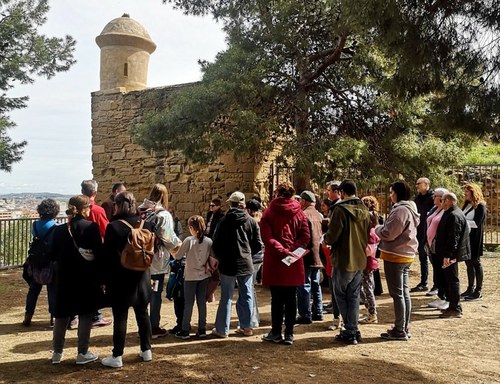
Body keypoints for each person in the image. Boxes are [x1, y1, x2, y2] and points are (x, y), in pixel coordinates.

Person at [101, 192, 154, 368]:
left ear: (117, 205)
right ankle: (146, 350)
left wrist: (104, 281)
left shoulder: (114, 227)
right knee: (143, 314)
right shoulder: (147, 224)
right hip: (142, 276)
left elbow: (107, 257)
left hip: (121, 278)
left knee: (121, 318)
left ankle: (117, 356)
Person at [50, 195, 103, 365]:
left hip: (64, 277)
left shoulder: (59, 230)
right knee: (86, 314)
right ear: (84, 209)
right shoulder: (91, 228)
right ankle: (82, 352)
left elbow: (53, 254)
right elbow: (99, 254)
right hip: (86, 277)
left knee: (62, 315)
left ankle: (57, 353)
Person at [260, 183, 310, 345]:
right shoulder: (300, 213)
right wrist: (292, 250)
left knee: (277, 299)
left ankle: (276, 331)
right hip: (293, 260)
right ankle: (289, 333)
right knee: (291, 298)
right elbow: (305, 236)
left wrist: (281, 250)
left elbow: (267, 237)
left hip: (276, 260)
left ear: (277, 193)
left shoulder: (269, 212)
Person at [211, 191, 263, 338]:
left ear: (231, 204)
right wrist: (247, 254)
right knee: (246, 294)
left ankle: (222, 329)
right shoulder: (251, 221)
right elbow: (258, 244)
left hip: (227, 263)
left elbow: (216, 242)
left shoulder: (224, 220)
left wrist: (221, 256)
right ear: (243, 204)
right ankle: (247, 327)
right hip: (245, 263)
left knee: (226, 296)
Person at [324, 179, 370, 345]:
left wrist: (325, 239)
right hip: (359, 259)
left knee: (341, 295)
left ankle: (350, 329)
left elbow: (333, 234)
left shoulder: (340, 210)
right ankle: (353, 329)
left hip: (343, 259)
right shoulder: (365, 209)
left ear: (342, 192)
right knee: (354, 296)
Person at [375, 181, 419, 341]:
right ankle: (402, 327)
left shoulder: (401, 210)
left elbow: (389, 233)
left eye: (391, 192)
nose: (390, 195)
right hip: (405, 254)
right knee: (403, 293)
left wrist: (377, 228)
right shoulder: (410, 207)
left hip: (396, 255)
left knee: (397, 294)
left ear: (398, 193)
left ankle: (400, 329)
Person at [141, 183, 182, 338]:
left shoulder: (141, 209)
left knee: (143, 293)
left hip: (140, 259)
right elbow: (168, 238)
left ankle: (142, 325)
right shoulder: (162, 215)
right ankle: (153, 326)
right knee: (155, 293)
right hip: (156, 261)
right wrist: (181, 247)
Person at [174, 215, 217, 339]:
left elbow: (178, 256)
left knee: (188, 303)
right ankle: (202, 329)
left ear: (192, 228)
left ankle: (185, 330)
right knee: (201, 303)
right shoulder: (209, 241)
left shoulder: (189, 240)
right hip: (203, 275)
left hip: (190, 276)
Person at [22, 199, 60, 327]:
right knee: (52, 291)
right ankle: (53, 317)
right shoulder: (56, 227)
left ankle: (28, 315)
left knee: (33, 289)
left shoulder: (35, 225)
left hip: (36, 261)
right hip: (51, 261)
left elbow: (35, 236)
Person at [81, 179, 111, 328]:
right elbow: (106, 232)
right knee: (96, 284)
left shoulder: (75, 209)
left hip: (76, 253)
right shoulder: (98, 210)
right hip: (94, 253)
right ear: (95, 193)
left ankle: (74, 316)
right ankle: (96, 315)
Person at [435, 192, 471, 318]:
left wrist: (448, 256)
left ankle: (455, 308)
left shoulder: (455, 215)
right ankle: (452, 305)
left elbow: (453, 238)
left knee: (452, 280)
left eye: (443, 200)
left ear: (449, 201)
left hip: (450, 254)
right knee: (449, 279)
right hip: (446, 253)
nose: (441, 202)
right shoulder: (450, 212)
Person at [296, 190, 324, 324]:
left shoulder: (303, 215)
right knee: (315, 284)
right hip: (317, 255)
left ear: (304, 201)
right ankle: (318, 311)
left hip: (306, 255)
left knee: (304, 285)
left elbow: (303, 236)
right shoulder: (319, 215)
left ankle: (305, 314)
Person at [424, 188, 450, 310]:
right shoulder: (435, 209)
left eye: (435, 196)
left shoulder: (445, 211)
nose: (433, 198)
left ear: (441, 198)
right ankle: (440, 295)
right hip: (431, 245)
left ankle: (445, 297)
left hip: (439, 245)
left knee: (443, 272)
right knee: (437, 271)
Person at [461, 183, 486, 301]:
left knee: (476, 262)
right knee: (468, 263)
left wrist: (462, 222)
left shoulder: (480, 206)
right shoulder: (466, 205)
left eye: (467, 191)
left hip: (475, 239)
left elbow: (476, 223)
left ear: (473, 192)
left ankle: (478, 291)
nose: (465, 193)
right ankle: (470, 288)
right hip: (466, 238)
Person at [359, 196, 381, 324]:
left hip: (367, 263)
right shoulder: (371, 231)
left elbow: (369, 250)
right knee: (365, 287)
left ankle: (372, 313)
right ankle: (370, 311)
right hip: (367, 262)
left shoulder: (370, 232)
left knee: (367, 288)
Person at [411, 177, 434, 293]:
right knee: (422, 257)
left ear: (426, 184)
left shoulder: (433, 198)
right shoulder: (418, 198)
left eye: (419, 183)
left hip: (430, 231)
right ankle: (424, 282)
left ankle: (436, 284)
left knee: (433, 258)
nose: (417, 186)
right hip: (419, 231)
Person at [246, 198, 264, 328]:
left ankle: (252, 319)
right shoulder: (262, 221)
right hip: (260, 257)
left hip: (251, 257)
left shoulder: (250, 222)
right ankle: (254, 317)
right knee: (251, 288)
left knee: (249, 289)